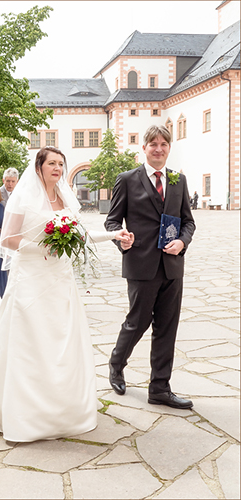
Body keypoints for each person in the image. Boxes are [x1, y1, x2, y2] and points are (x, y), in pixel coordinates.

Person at [0, 146, 128, 442]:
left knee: (63, 340)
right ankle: (28, 412)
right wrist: (44, 247)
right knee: (32, 342)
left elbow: (78, 235)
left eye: (61, 163)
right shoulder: (25, 197)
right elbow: (8, 239)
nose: (57, 168)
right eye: (52, 163)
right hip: (31, 278)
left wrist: (113, 234)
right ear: (39, 167)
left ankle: (65, 408)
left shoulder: (65, 198)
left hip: (60, 279)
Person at [105, 125, 196, 410]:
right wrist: (122, 241)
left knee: (167, 328)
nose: (158, 148)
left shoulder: (178, 180)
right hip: (141, 264)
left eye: (163, 144)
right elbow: (112, 222)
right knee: (137, 323)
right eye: (153, 144)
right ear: (143, 148)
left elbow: (188, 221)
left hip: (171, 266)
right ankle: (116, 364)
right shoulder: (127, 179)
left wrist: (182, 242)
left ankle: (160, 388)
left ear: (169, 148)